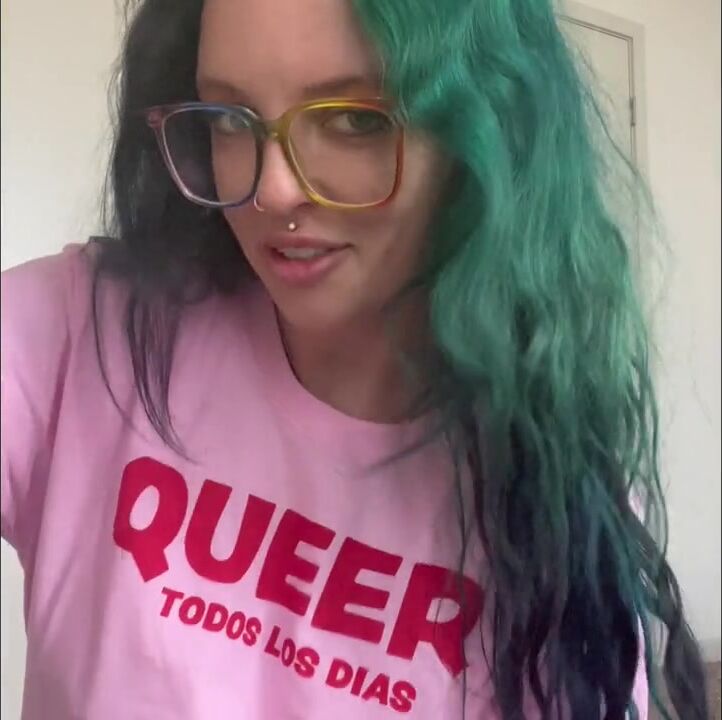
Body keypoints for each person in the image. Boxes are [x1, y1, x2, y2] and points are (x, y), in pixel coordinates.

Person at [0, 0, 709, 718]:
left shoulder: (556, 498)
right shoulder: (79, 332)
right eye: (228, 119)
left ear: (485, 134)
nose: (273, 189)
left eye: (355, 120)